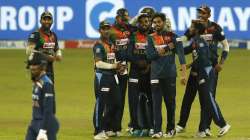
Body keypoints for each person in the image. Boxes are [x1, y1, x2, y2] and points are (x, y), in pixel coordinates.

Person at [176, 4, 230, 137]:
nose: (200, 15)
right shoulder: (196, 37)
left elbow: (218, 50)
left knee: (207, 99)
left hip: (206, 70)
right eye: (199, 13)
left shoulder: (214, 29)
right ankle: (184, 125)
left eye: (203, 13)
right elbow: (189, 47)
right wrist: (188, 64)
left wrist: (220, 63)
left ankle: (208, 127)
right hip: (198, 69)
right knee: (191, 98)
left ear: (209, 15)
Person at [146, 13, 187, 138]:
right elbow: (149, 56)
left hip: (169, 75)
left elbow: (181, 56)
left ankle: (170, 129)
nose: (156, 24)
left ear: (164, 22)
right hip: (155, 75)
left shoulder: (174, 37)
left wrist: (184, 75)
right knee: (156, 104)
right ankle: (157, 130)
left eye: (159, 22)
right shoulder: (151, 37)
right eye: (155, 22)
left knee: (170, 104)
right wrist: (165, 49)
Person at [92, 21, 124, 139]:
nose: (106, 31)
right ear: (100, 30)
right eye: (103, 29)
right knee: (101, 103)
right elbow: (98, 63)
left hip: (112, 76)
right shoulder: (98, 45)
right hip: (102, 76)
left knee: (116, 103)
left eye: (107, 28)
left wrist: (118, 65)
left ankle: (107, 127)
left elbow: (111, 60)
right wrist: (113, 66)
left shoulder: (111, 43)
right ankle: (98, 131)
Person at [26, 11, 62, 114]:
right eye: (44, 19)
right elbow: (29, 51)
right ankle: (41, 123)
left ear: (52, 21)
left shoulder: (53, 35)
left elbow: (57, 49)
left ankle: (48, 123)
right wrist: (46, 57)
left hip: (50, 71)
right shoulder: (36, 35)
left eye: (49, 19)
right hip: (38, 72)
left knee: (50, 98)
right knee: (42, 98)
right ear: (40, 20)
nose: (47, 21)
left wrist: (58, 55)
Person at [108, 8, 136, 135]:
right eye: (122, 19)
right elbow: (107, 50)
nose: (124, 21)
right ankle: (108, 127)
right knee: (111, 99)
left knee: (121, 99)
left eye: (126, 19)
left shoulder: (129, 29)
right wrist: (115, 65)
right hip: (112, 69)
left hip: (124, 69)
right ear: (116, 17)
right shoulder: (110, 31)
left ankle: (117, 128)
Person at [126, 13, 153, 137]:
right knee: (133, 100)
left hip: (149, 73)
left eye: (146, 21)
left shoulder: (153, 36)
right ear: (138, 23)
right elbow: (128, 53)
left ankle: (150, 126)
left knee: (150, 100)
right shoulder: (133, 36)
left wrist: (148, 65)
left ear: (150, 23)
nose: (144, 24)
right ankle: (135, 126)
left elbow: (156, 53)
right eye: (141, 22)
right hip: (135, 72)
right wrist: (138, 63)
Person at [25, 52, 59, 140]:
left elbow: (49, 109)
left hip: (46, 125)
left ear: (42, 66)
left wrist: (43, 130)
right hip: (34, 123)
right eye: (31, 65)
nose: (32, 67)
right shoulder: (37, 82)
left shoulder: (46, 84)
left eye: (34, 65)